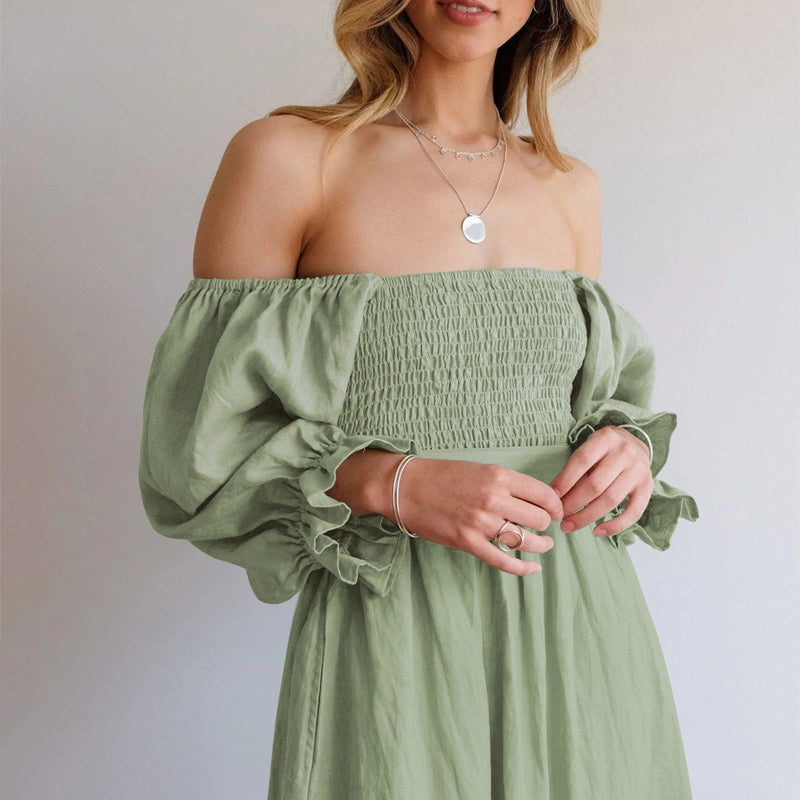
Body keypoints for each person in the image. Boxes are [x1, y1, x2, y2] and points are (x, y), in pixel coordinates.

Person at [138, 1, 700, 797]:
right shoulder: (287, 159)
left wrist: (628, 448)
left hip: (578, 620)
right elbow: (195, 450)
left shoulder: (571, 187)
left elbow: (593, 401)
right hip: (394, 617)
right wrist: (393, 482)